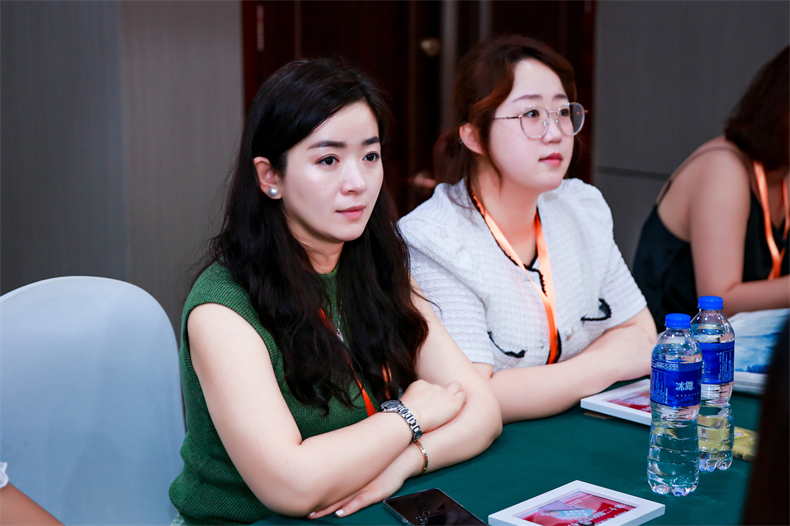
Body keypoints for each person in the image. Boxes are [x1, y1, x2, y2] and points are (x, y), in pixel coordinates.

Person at [168, 58, 501, 525]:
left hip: (359, 506)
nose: (357, 183)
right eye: (328, 160)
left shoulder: (377, 265)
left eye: (370, 156)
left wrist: (404, 463)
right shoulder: (224, 309)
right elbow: (291, 485)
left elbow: (482, 410)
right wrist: (409, 417)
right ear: (270, 177)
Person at [398, 35, 656, 423]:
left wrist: (534, 386)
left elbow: (642, 332)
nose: (555, 132)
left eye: (563, 112)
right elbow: (470, 396)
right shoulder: (434, 238)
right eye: (531, 114)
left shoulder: (580, 206)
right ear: (473, 135)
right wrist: (609, 362)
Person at [633, 46, 789, 327]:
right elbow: (720, 301)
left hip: (744, 345)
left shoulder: (783, 175)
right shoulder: (724, 168)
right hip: (672, 347)